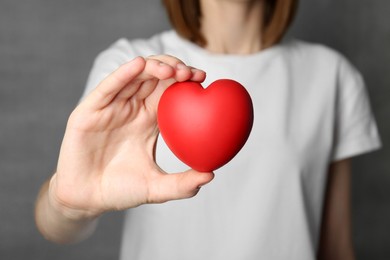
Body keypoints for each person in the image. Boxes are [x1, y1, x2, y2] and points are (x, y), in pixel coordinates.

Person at [35, 0, 382, 259]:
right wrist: (68, 205)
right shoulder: (133, 70)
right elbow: (57, 224)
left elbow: (336, 247)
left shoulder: (332, 75)